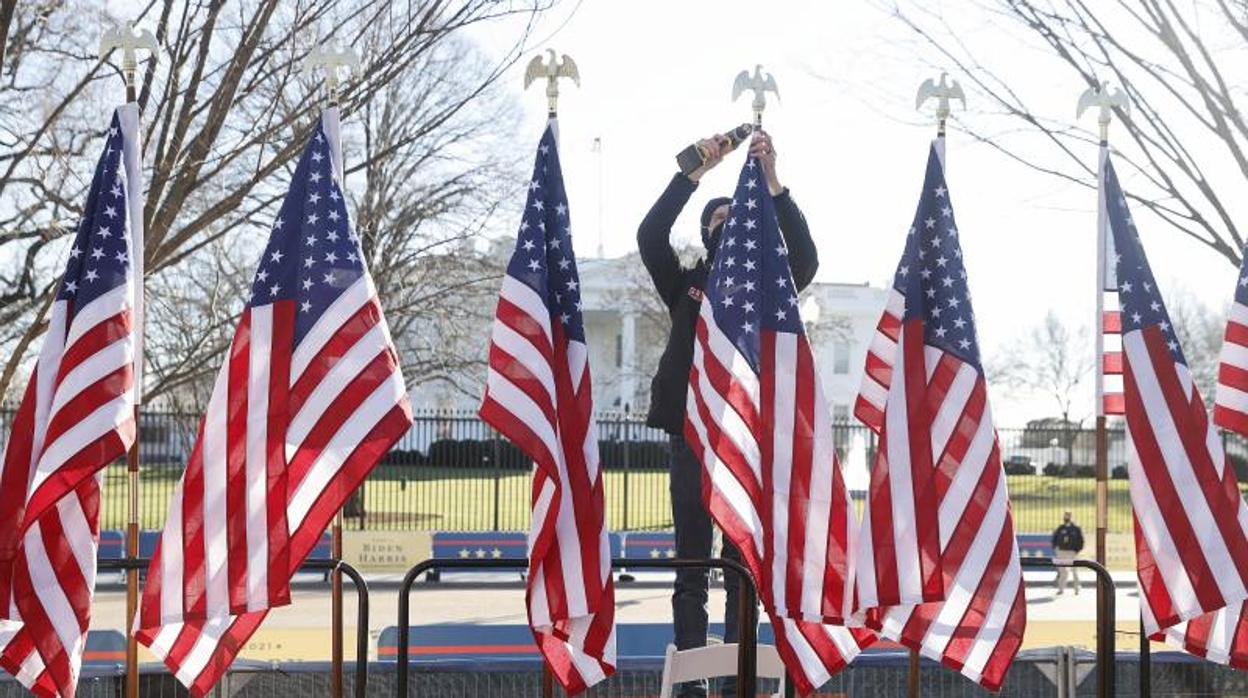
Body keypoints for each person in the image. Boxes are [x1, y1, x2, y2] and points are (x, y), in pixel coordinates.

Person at [637, 130, 818, 697]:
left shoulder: (770, 288)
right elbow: (649, 235)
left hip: (745, 438)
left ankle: (743, 677)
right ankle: (692, 682)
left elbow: (806, 258)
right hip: (690, 431)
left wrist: (771, 182)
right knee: (691, 563)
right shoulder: (686, 282)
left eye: (736, 215)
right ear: (706, 233)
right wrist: (694, 170)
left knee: (742, 566)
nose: (725, 221)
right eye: (716, 219)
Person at [1052, 511, 1084, 594]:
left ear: (1071, 517)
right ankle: (1061, 589)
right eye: (1065, 516)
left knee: (1074, 570)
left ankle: (1077, 588)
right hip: (1061, 552)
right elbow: (1054, 539)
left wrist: (1076, 550)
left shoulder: (1076, 529)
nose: (1066, 518)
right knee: (1062, 571)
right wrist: (1056, 549)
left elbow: (1081, 541)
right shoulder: (1060, 528)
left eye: (1067, 516)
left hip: (1072, 552)